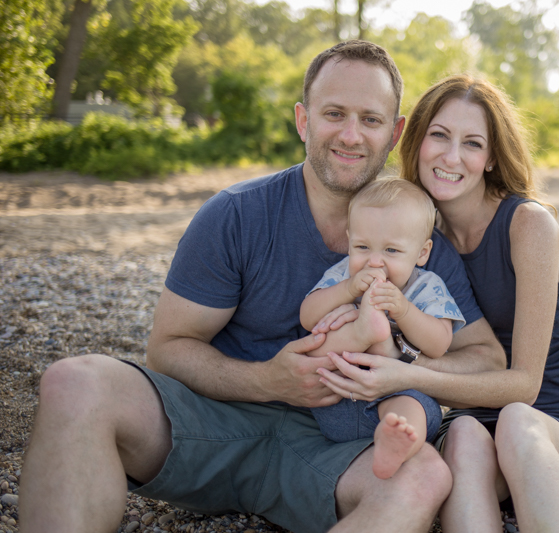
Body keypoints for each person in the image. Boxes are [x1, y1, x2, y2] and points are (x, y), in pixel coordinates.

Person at [17, 43, 506, 533]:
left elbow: (484, 358)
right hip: (218, 425)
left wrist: (399, 372)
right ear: (303, 120)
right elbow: (167, 349)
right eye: (334, 113)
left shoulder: (416, 239)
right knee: (75, 382)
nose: (351, 135)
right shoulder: (235, 214)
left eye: (371, 120)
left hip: (342, 450)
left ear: (395, 132)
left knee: (424, 477)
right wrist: (267, 381)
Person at [313, 74, 559, 532]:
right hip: (475, 419)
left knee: (515, 419)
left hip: (556, 427)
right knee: (463, 439)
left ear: (491, 157)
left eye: (472, 143)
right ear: (416, 142)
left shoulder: (528, 224)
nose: (451, 157)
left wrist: (404, 374)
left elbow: (525, 387)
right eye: (439, 135)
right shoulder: (416, 239)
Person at [300, 178, 465, 480]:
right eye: (362, 247)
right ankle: (364, 331)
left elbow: (440, 344)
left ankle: (396, 443)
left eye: (391, 250)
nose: (374, 261)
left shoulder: (427, 286)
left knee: (411, 407)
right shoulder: (342, 274)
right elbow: (307, 317)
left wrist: (404, 310)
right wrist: (347, 290)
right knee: (323, 334)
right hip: (339, 399)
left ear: (421, 253)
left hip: (398, 393)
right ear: (349, 240)